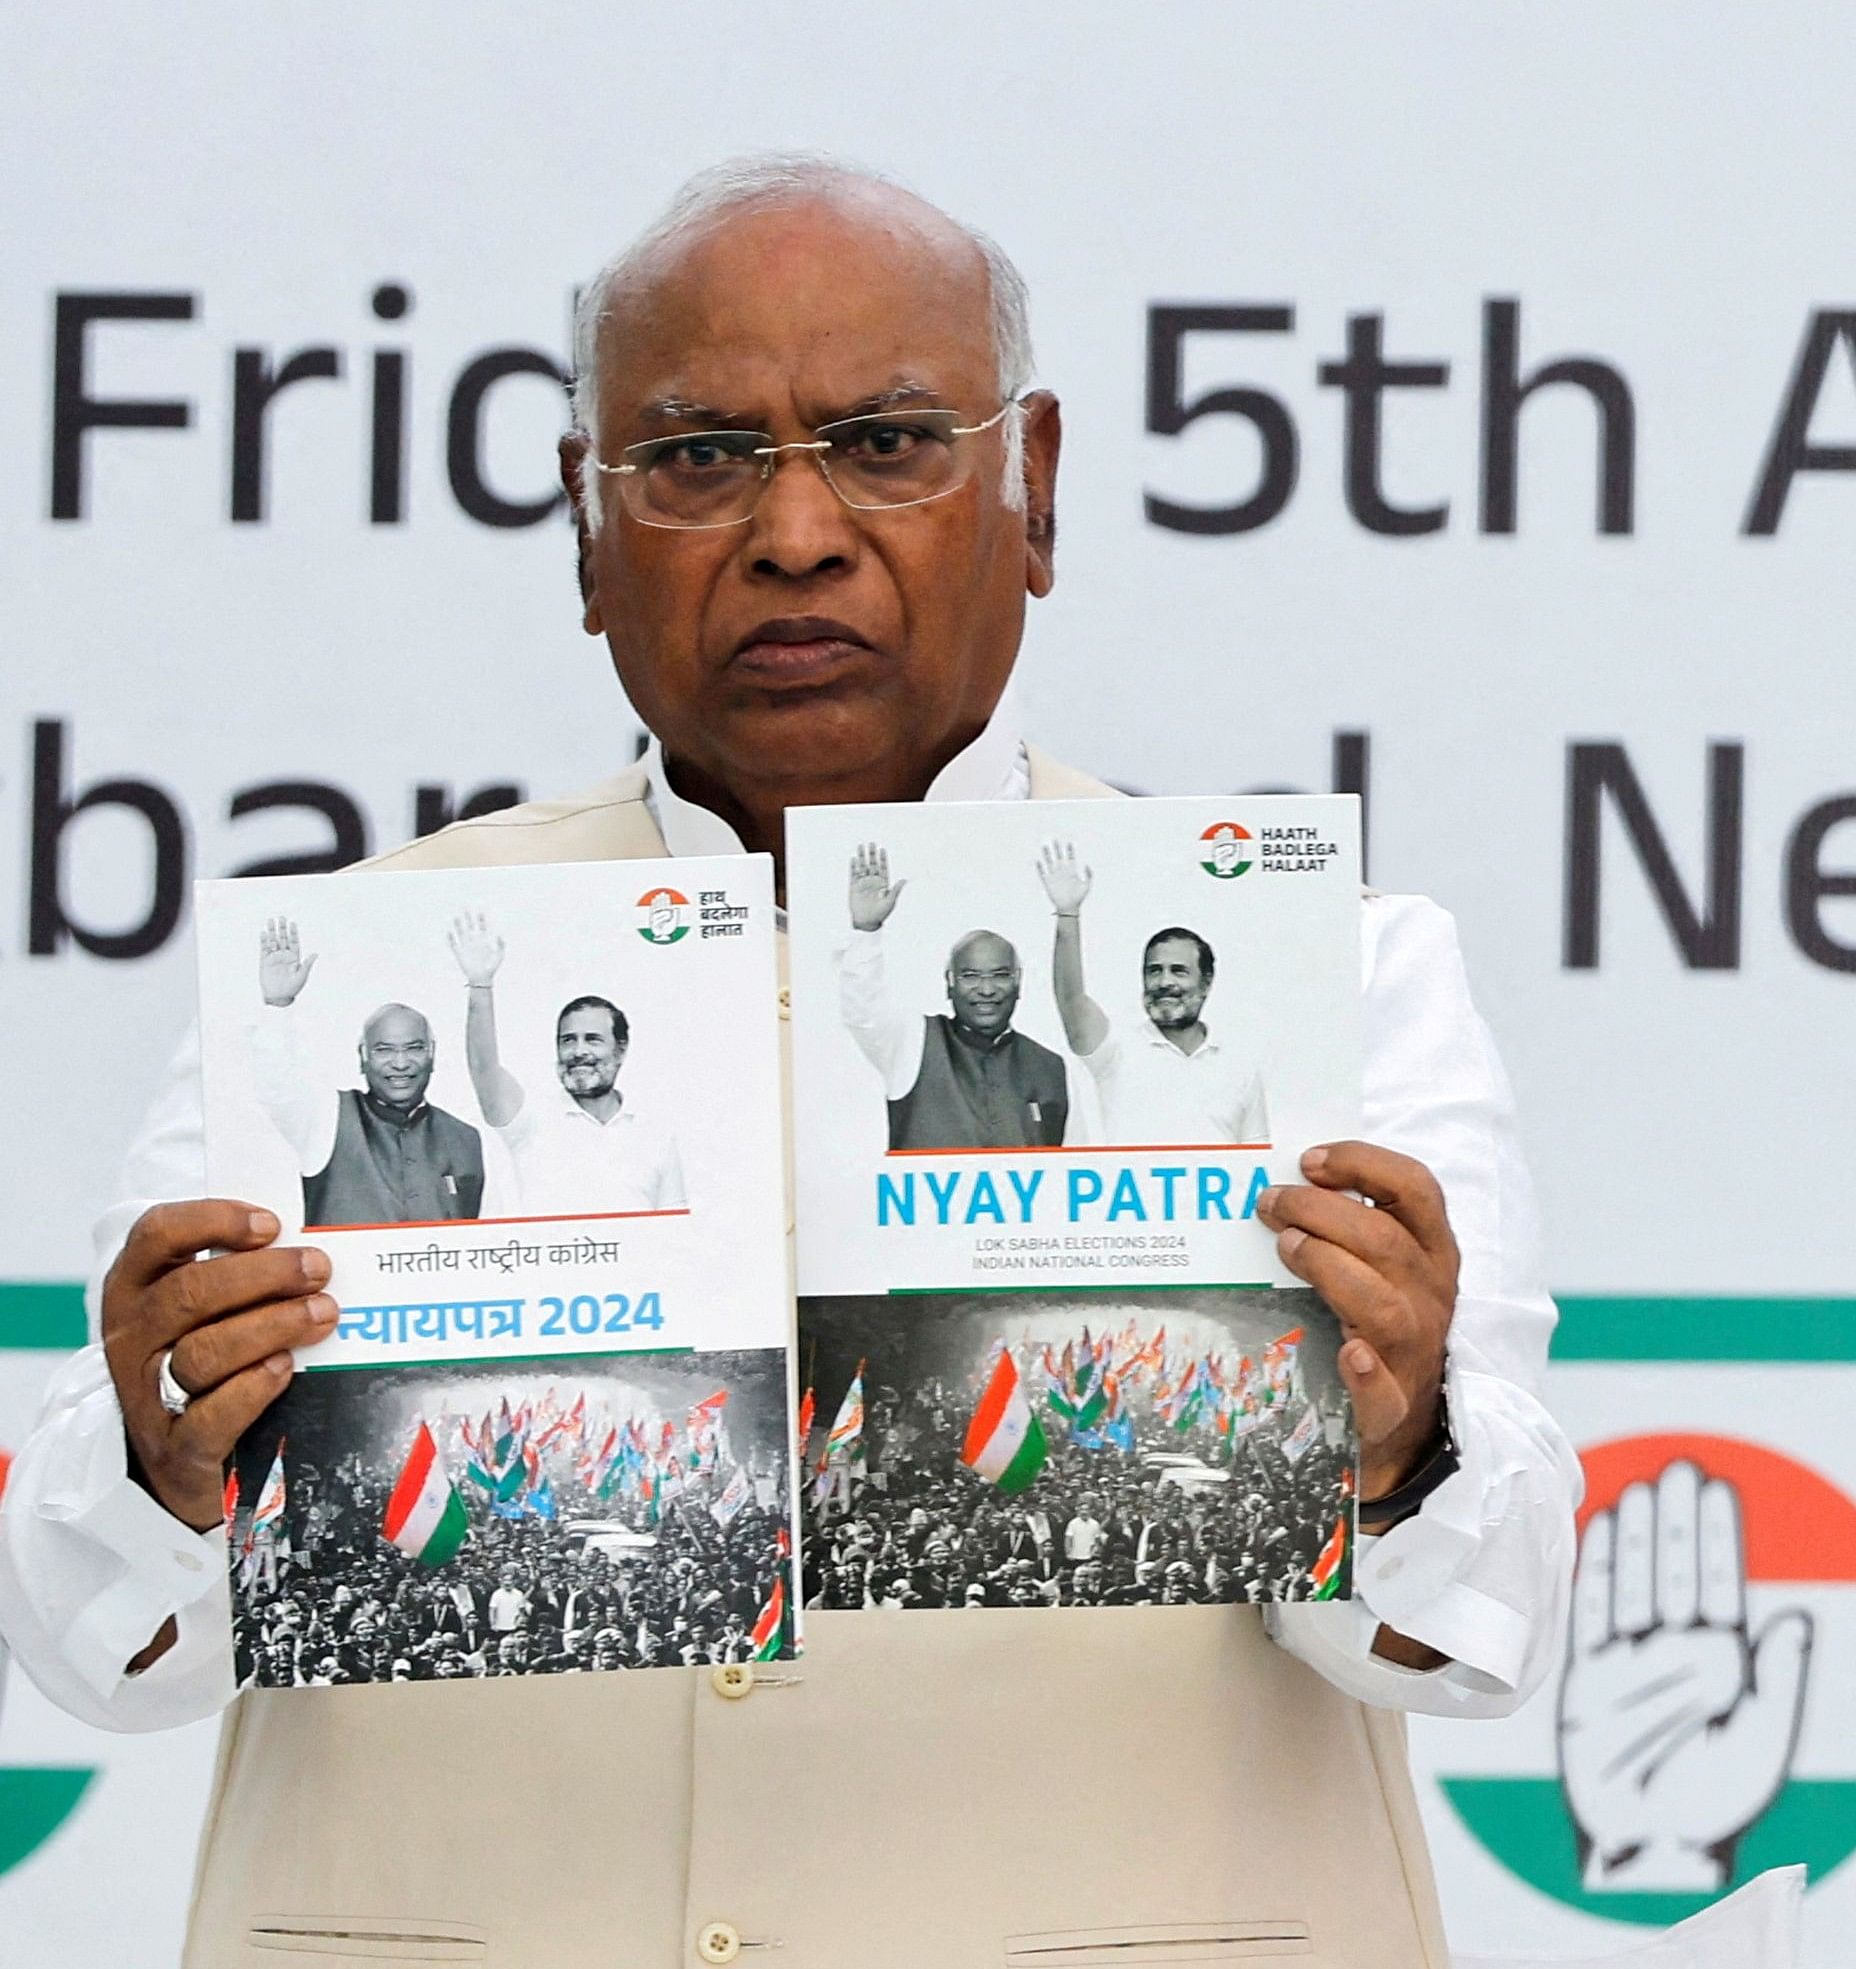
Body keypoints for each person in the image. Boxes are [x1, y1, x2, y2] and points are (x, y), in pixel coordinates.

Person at [0, 153, 1576, 1969]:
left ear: (1033, 490)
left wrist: (1397, 1443)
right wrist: (157, 1454)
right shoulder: (360, 975)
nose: (799, 530)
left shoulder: (1329, 963)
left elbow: (1489, 1619)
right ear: (587, 536)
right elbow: (98, 1643)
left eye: (889, 441)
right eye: (697, 458)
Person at [245, 917, 486, 1227]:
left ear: (432, 1054)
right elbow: (277, 1084)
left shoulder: (466, 1138)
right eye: (384, 1050)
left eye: (413, 1048)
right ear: (363, 1057)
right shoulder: (326, 1118)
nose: (400, 1063)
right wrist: (278, 1004)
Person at [450, 909, 689, 1213]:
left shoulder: (655, 1135)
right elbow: (483, 1069)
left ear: (621, 1050)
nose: (578, 1052)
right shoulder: (531, 1119)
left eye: (593, 1039)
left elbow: (674, 1227)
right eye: (568, 1040)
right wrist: (480, 985)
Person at [1040, 840, 1272, 1147]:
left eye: (1178, 970)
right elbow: (1071, 1000)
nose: (1164, 982)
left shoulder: (1239, 1066)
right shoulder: (1115, 1049)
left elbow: (1254, 1158)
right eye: (1154, 970)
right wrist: (1068, 915)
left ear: (1206, 982)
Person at [838, 845, 1071, 1148]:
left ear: (1018, 983)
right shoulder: (913, 1042)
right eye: (970, 976)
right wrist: (866, 931)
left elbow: (1068, 1165)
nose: (986, 990)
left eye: (999, 975)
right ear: (949, 983)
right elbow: (863, 1008)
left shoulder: (1050, 1066)